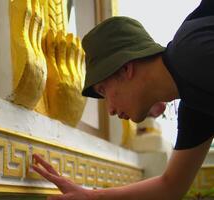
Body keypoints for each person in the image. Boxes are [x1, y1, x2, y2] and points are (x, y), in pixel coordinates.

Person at [32, 0, 214, 199]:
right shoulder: (194, 107)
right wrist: (91, 196)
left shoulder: (193, 51)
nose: (109, 109)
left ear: (126, 69)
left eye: (103, 91)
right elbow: (171, 186)